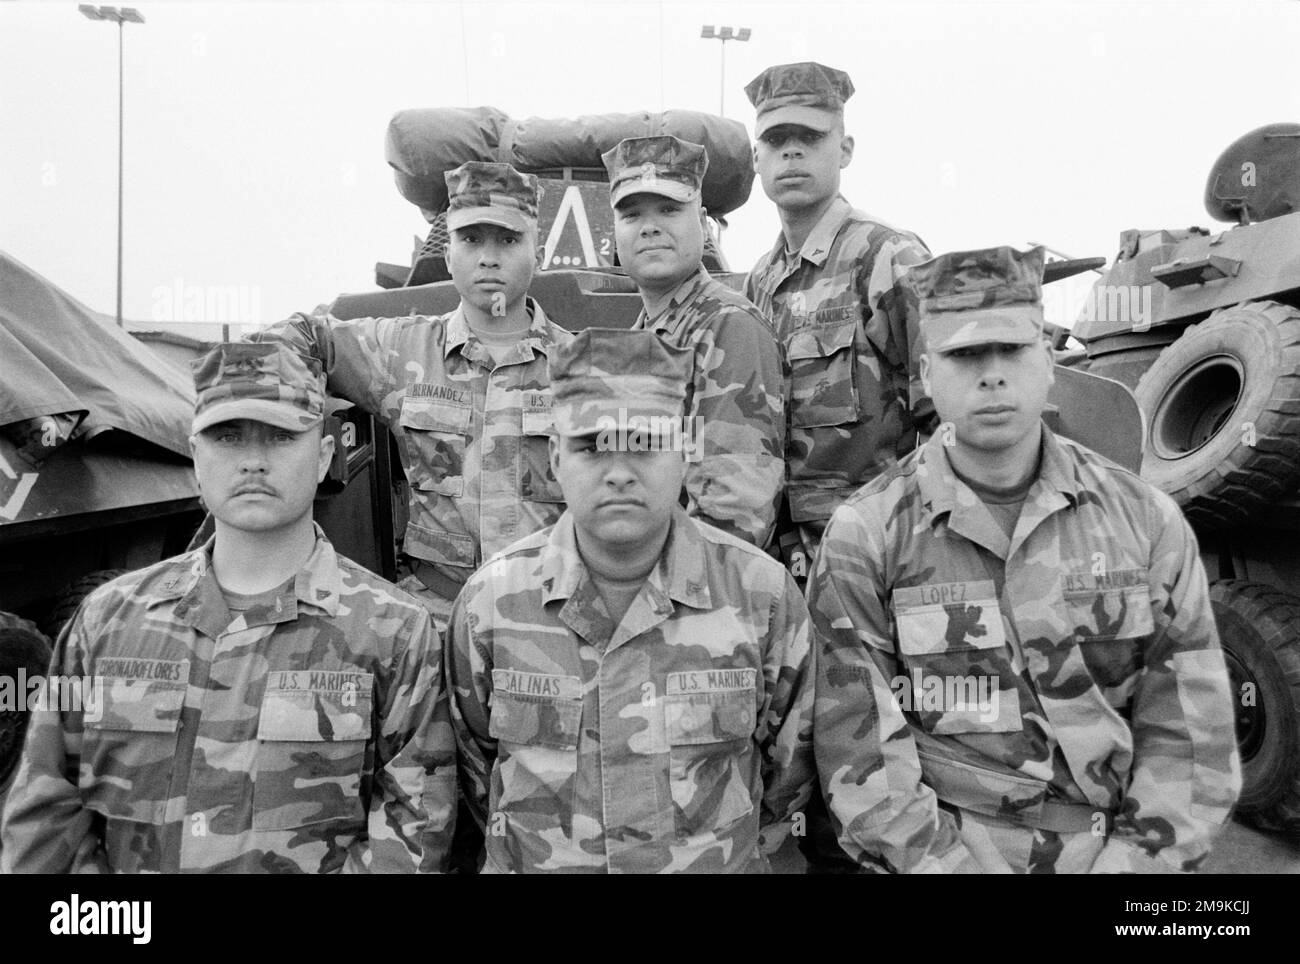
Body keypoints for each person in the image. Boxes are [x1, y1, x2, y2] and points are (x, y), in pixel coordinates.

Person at [810, 245, 1241, 873]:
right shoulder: (867, 533)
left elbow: (1190, 728)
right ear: (928, 374)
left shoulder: (1143, 519)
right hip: (947, 851)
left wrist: (1134, 867)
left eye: (1011, 350)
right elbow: (861, 750)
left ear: (1047, 361)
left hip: (1121, 849)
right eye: (964, 356)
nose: (991, 375)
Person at [1, 342, 456, 872]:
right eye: (227, 436)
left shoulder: (393, 632)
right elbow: (45, 815)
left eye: (283, 436)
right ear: (196, 457)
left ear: (325, 460)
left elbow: (413, 834)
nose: (254, 461)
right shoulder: (108, 620)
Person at [446, 328, 815, 873]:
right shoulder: (492, 603)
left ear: (686, 450)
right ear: (554, 458)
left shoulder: (760, 595)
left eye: (644, 443)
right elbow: (477, 775)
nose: (619, 472)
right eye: (591, 445)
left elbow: (790, 779)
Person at [253, 161, 573, 635]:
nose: (488, 257)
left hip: (549, 619)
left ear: (539, 254)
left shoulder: (581, 366)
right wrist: (280, 412)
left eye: (508, 240)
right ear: (448, 257)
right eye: (470, 240)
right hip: (437, 614)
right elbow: (299, 336)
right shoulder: (399, 350)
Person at [744, 61, 935, 569]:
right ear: (756, 158)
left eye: (810, 136)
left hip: (875, 548)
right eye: (776, 138)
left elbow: (944, 415)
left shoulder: (888, 257)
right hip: (779, 554)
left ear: (844, 150)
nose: (792, 150)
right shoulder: (759, 281)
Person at [602, 134, 786, 549]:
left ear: (702, 223)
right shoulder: (642, 336)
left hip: (699, 594)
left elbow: (735, 514)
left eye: (669, 209)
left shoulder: (728, 327)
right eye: (631, 215)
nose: (650, 227)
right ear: (614, 232)